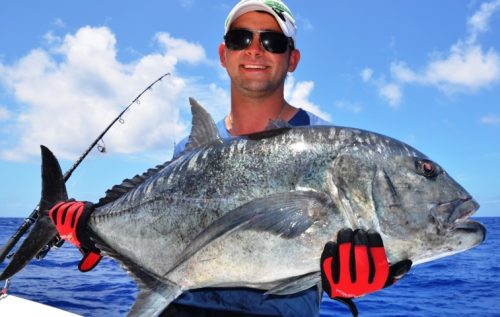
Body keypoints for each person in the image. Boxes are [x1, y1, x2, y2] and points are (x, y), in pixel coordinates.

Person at [48, 1, 412, 316]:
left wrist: (345, 284)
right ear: (224, 55)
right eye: (241, 38)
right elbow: (159, 232)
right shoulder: (186, 153)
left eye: (272, 41)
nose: (255, 50)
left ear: (293, 58)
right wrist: (91, 231)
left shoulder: (323, 143)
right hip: (178, 308)